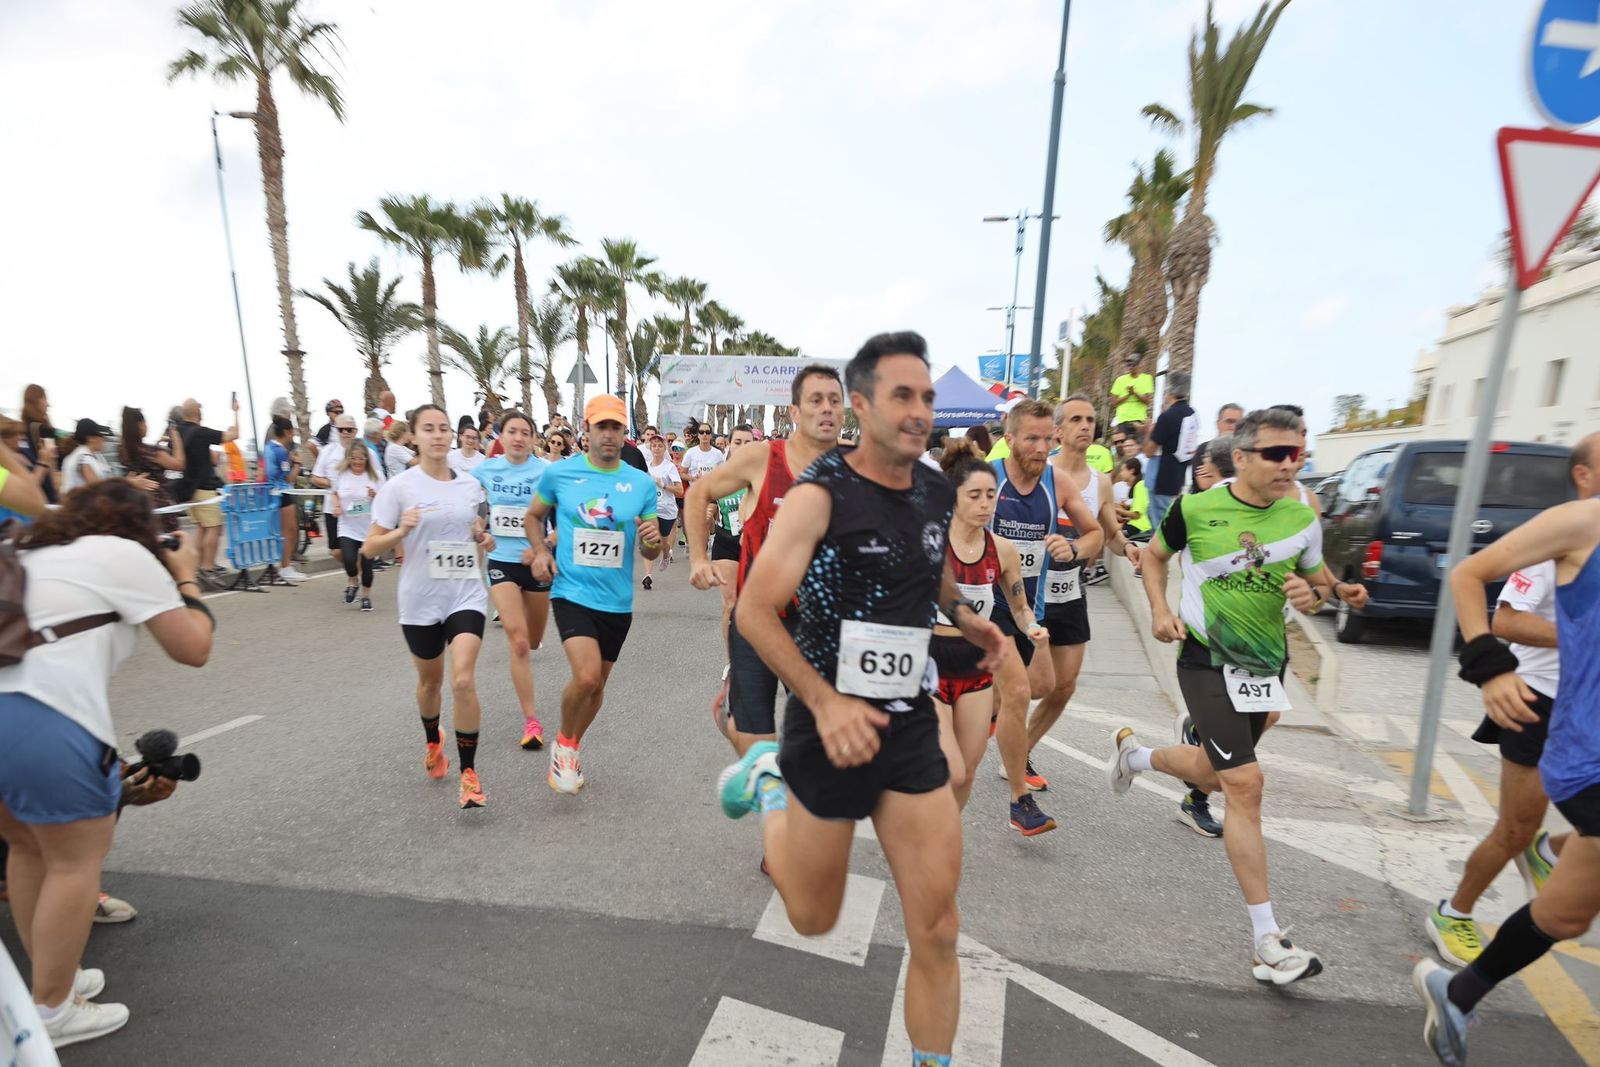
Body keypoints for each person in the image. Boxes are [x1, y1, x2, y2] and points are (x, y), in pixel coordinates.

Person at [716, 331, 1007, 1065]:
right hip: (825, 723)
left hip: (906, 721)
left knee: (938, 927)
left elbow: (929, 564)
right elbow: (755, 609)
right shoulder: (820, 497)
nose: (920, 411)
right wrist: (822, 701)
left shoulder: (939, 490)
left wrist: (965, 614)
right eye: (903, 396)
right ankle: (772, 782)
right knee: (812, 917)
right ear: (861, 404)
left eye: (928, 397)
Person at [1109, 406, 1328, 985]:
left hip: (1263, 666)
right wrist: (1159, 608)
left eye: (1298, 453)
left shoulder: (1302, 516)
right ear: (1242, 456)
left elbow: (1319, 585)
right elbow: (1155, 557)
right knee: (1245, 785)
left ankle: (1134, 757)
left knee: (1211, 773)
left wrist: (1318, 595)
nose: (1290, 464)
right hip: (1204, 658)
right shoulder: (1197, 507)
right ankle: (1267, 940)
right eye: (1277, 453)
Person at [0, 480, 214, 1047]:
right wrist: (186, 573)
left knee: (26, 848)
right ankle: (52, 1013)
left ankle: (54, 984)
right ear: (140, 526)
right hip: (44, 715)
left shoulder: (29, 549)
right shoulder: (119, 551)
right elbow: (193, 648)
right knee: (75, 862)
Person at [1412, 433, 1600, 1067]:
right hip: (1567, 727)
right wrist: (1490, 667)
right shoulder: (1577, 524)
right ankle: (1455, 910)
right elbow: (1475, 582)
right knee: (1515, 828)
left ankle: (1458, 993)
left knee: (1568, 914)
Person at [686, 370, 844, 759]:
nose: (827, 408)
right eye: (816, 400)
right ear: (794, 411)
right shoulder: (763, 458)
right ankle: (735, 713)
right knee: (759, 754)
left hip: (818, 627)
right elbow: (700, 492)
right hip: (758, 620)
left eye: (835, 400)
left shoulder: (854, 470)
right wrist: (697, 558)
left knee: (821, 744)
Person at [522, 394, 660, 794]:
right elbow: (533, 516)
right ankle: (564, 744)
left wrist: (653, 541)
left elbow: (651, 547)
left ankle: (571, 745)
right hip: (571, 591)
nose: (609, 435)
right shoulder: (560, 475)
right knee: (584, 677)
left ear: (623, 433)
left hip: (617, 602)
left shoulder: (640, 483)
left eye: (616, 427)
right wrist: (540, 550)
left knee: (598, 686)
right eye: (601, 426)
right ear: (586, 430)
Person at [362, 405, 495, 811]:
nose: (438, 435)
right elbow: (369, 547)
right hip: (420, 599)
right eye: (428, 429)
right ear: (414, 437)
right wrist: (402, 530)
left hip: (465, 593)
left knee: (462, 681)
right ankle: (433, 739)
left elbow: (476, 528)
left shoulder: (471, 486)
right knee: (430, 684)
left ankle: (469, 774)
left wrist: (482, 537)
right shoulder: (399, 487)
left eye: (443, 429)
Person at [987, 398, 1096, 834]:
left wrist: (1072, 549)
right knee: (1016, 693)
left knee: (1048, 686)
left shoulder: (1059, 483)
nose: (1040, 446)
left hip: (1029, 606)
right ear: (1009, 439)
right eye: (1030, 438)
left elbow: (1095, 533)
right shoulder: (985, 479)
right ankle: (1020, 801)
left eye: (1046, 438)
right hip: (986, 606)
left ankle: (996, 739)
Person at [933, 453, 1042, 813]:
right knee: (948, 767)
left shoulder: (1002, 550)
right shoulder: (931, 543)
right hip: (929, 662)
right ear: (954, 497)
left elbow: (1019, 606)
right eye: (974, 495)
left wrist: (1031, 627)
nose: (985, 504)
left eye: (991, 495)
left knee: (966, 772)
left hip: (976, 667)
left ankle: (941, 841)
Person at [1017, 397, 1112, 797]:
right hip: (1030, 592)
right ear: (1058, 430)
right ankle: (986, 728)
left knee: (1064, 686)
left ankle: (1019, 753)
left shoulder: (1101, 480)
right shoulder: (1042, 472)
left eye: (1090, 420)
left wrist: (1132, 549)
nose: (1085, 426)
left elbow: (1105, 534)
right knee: (1026, 683)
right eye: (1076, 419)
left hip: (1070, 590)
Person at [472, 411, 553, 750]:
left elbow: (568, 521)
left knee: (533, 641)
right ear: (500, 437)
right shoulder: (484, 471)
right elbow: (471, 513)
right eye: (512, 432)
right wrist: (480, 533)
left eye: (525, 432)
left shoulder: (547, 472)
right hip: (501, 563)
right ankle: (531, 721)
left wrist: (542, 546)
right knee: (518, 642)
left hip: (536, 566)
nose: (518, 438)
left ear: (535, 439)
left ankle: (531, 647)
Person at [175, 396, 241, 580]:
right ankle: (208, 567)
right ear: (196, 411)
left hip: (188, 488)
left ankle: (200, 565)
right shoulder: (200, 432)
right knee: (214, 527)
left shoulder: (178, 431)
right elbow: (233, 435)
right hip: (205, 488)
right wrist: (236, 411)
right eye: (200, 408)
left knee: (202, 528)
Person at [329, 437, 383, 608]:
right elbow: (334, 493)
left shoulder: (375, 476)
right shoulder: (341, 474)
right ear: (348, 459)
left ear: (366, 459)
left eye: (361, 458)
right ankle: (353, 581)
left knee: (367, 567)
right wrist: (336, 506)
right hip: (347, 526)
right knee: (349, 559)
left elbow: (386, 498)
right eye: (354, 458)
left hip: (369, 528)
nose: (357, 462)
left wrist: (375, 495)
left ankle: (366, 596)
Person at [1142, 370, 1198, 530]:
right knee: (1156, 515)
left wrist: (1148, 431)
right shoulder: (1192, 415)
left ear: (1170, 391)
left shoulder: (1167, 417)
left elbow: (1149, 451)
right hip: (1177, 478)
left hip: (1160, 478)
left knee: (1160, 528)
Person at [116, 408, 184, 531]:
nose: (146, 426)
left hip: (137, 505)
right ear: (139, 425)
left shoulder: (122, 450)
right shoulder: (153, 453)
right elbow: (179, 464)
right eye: (145, 423)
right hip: (159, 504)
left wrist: (158, 444)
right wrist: (176, 437)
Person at [262, 418, 308, 584]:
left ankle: (284, 566)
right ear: (288, 432)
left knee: (285, 531)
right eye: (293, 431)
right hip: (282, 493)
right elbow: (288, 477)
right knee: (290, 531)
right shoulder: (280, 451)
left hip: (273, 493)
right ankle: (285, 567)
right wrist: (297, 463)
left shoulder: (269, 448)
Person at [310, 413, 358, 560]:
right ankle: (353, 571)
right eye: (341, 429)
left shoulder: (364, 451)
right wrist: (332, 483)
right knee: (336, 551)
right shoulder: (327, 451)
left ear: (355, 431)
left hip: (357, 505)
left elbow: (376, 476)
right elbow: (315, 478)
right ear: (336, 431)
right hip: (333, 507)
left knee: (357, 546)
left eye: (349, 430)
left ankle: (354, 578)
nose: (345, 433)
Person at [643, 432, 683, 590]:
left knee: (663, 542)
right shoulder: (645, 466)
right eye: (654, 445)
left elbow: (680, 490)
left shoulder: (669, 467)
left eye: (660, 445)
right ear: (650, 448)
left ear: (664, 448)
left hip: (667, 510)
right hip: (650, 509)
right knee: (650, 540)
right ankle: (648, 575)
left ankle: (666, 554)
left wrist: (663, 484)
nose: (657, 448)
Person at [19, 384, 59, 505]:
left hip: (25, 498)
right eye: (44, 399)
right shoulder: (41, 430)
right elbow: (51, 466)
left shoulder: (21, 429)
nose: (48, 404)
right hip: (44, 498)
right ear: (35, 401)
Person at [59, 420, 114, 494]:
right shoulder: (83, 458)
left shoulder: (88, 455)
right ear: (90, 438)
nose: (104, 439)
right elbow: (98, 489)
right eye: (101, 435)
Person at [1110, 352, 1155, 428]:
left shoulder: (1147, 378)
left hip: (1139, 421)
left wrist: (1135, 393)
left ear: (1139, 365)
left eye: (1133, 365)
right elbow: (1113, 403)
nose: (1130, 367)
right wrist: (1128, 395)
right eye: (1128, 365)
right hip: (1122, 421)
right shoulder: (1119, 380)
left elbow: (1147, 401)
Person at [1117, 458, 1152, 537]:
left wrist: (1116, 509)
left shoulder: (1140, 485)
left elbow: (1136, 515)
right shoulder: (1138, 485)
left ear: (1131, 470)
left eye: (1122, 470)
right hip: (1135, 525)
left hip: (1138, 527)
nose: (1120, 474)